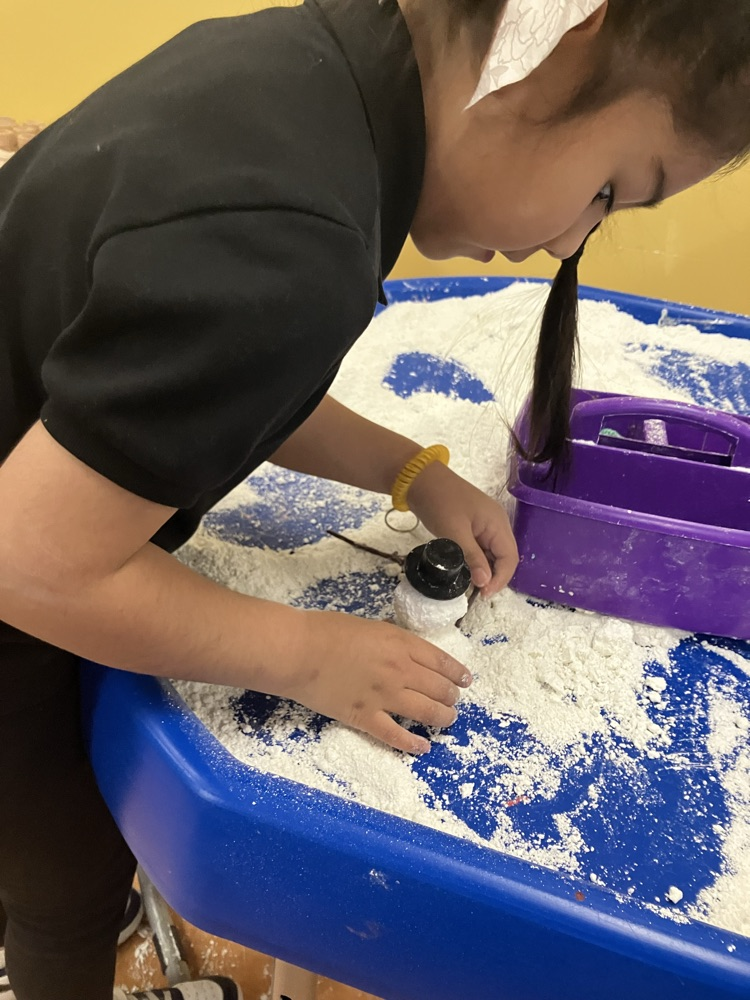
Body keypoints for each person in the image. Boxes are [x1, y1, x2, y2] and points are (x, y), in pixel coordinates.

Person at [0, 0, 747, 997]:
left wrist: (412, 472)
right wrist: (309, 655)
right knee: (62, 874)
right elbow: (30, 561)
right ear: (552, 47)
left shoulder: (315, 69)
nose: (569, 240)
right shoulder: (291, 239)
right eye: (610, 189)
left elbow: (233, 369)